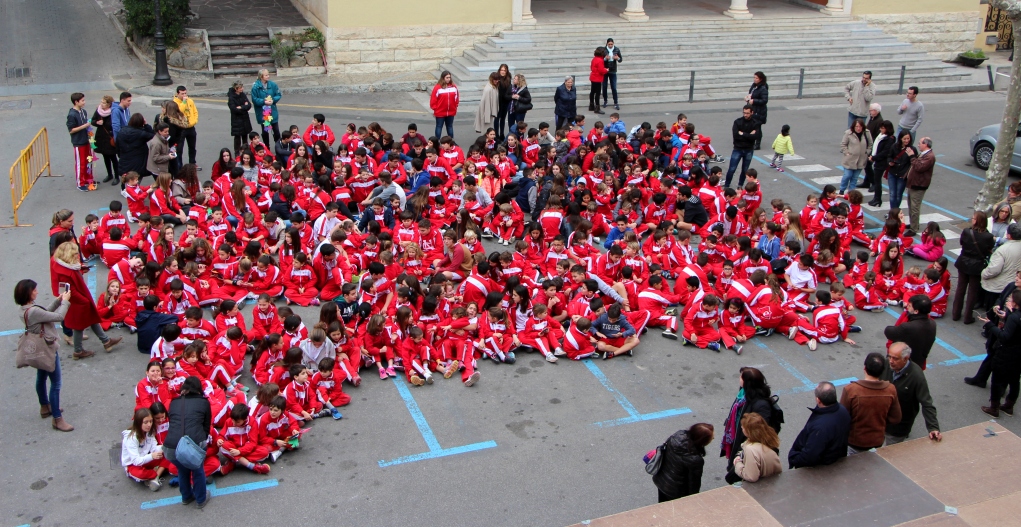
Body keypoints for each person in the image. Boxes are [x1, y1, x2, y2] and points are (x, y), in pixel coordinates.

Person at [15, 279, 75, 431]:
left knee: (41, 378)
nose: (37, 292)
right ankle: (57, 418)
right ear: (29, 293)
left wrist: (58, 300)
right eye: (35, 290)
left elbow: (45, 313)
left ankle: (45, 406)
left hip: (38, 350)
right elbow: (58, 317)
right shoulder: (33, 311)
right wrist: (65, 302)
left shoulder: (25, 310)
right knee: (56, 384)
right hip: (47, 347)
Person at [49, 242, 122, 357]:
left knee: (91, 319)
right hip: (78, 302)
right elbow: (71, 290)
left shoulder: (63, 265)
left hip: (79, 300)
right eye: (75, 254)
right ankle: (78, 351)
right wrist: (84, 301)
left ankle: (106, 341)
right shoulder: (64, 272)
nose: (77, 256)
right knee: (80, 325)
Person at [163, 376, 213, 508]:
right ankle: (201, 499)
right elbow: (206, 427)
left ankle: (186, 496)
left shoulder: (174, 402)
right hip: (193, 442)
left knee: (182, 469)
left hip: (170, 447)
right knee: (197, 469)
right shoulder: (204, 402)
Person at [840, 352, 902, 453]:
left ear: (865, 368)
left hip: (855, 442)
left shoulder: (851, 390)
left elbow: (842, 418)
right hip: (877, 440)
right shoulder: (890, 390)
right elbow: (896, 418)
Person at [721, 367, 774, 482]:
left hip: (745, 444)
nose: (739, 379)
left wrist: (742, 453)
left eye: (741, 377)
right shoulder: (744, 393)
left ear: (747, 382)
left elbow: (759, 432)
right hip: (738, 437)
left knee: (734, 476)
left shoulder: (761, 405)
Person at [881, 342, 942, 445]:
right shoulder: (885, 364)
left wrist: (933, 427)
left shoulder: (916, 376)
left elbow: (926, 403)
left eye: (895, 358)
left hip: (898, 427)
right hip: (879, 420)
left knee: (892, 453)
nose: (891, 361)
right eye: (889, 356)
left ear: (906, 358)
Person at [787, 382, 850, 468]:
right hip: (836, 456)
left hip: (823, 465)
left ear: (818, 400)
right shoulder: (843, 411)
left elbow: (810, 455)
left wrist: (795, 459)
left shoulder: (820, 427)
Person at [982, 289, 1021, 417]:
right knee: (1014, 379)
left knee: (997, 379)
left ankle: (994, 408)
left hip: (1006, 352)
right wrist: (1009, 314)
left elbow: (1005, 336)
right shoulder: (1015, 315)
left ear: (1015, 303)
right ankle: (1009, 405)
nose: (1009, 301)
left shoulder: (1014, 317)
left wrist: (990, 325)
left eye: (1011, 300)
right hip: (1018, 353)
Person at [651, 422, 714, 502]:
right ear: (702, 441)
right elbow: (694, 483)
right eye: (711, 438)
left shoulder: (677, 436)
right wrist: (692, 499)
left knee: (662, 505)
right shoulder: (695, 460)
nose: (713, 439)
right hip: (676, 491)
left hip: (662, 480)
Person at [954, 211, 995, 323]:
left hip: (964, 261)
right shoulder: (988, 236)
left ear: (977, 221)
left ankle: (956, 314)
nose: (972, 220)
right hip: (977, 265)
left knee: (960, 288)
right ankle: (968, 317)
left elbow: (962, 243)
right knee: (972, 292)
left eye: (973, 218)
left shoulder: (967, 232)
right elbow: (989, 249)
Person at [884, 294, 937, 368]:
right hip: (919, 363)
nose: (907, 306)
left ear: (916, 311)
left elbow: (889, 332)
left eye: (910, 305)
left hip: (903, 363)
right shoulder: (932, 323)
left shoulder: (908, 327)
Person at [121, 408, 168, 491]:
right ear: (139, 423)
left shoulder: (149, 432)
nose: (149, 425)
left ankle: (154, 477)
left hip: (145, 458)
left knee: (168, 455)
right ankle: (155, 474)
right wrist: (152, 456)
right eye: (146, 422)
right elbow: (136, 461)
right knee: (141, 474)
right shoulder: (131, 439)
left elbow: (154, 448)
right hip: (133, 465)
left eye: (150, 421)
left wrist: (165, 446)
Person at [732, 413, 782, 483]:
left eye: (743, 427)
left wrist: (738, 463)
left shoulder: (751, 449)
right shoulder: (767, 439)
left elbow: (751, 477)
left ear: (749, 431)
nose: (741, 428)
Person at [982, 224, 1021, 311]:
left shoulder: (1002, 250)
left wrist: (983, 274)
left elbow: (993, 270)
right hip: (1015, 287)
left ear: (1008, 235)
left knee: (994, 311)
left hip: (998, 287)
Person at [903, 137, 934, 236]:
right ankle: (913, 223)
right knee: (911, 205)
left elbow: (919, 167)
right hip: (914, 183)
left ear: (925, 144)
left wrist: (912, 156)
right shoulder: (924, 154)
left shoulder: (930, 157)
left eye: (920, 143)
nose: (918, 145)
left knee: (915, 207)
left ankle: (914, 228)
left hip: (919, 185)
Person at [725, 105, 760, 188]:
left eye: (747, 113)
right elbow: (736, 136)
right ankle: (727, 185)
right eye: (744, 113)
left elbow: (756, 137)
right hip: (738, 148)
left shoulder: (755, 123)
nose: (745, 115)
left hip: (749, 149)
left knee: (745, 170)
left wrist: (743, 134)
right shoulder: (738, 122)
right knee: (732, 169)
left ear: (752, 112)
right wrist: (749, 135)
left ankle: (740, 186)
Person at [66, 92, 95, 191]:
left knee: (88, 161)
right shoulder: (72, 115)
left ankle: (87, 179)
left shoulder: (83, 111)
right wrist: (86, 125)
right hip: (79, 142)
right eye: (82, 101)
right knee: (80, 163)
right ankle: (80, 183)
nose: (84, 102)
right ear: (76, 102)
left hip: (86, 140)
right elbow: (71, 130)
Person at [116, 113, 155, 181]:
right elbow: (152, 135)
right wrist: (146, 125)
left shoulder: (122, 131)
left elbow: (118, 145)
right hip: (138, 161)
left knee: (125, 177)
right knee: (136, 179)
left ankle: (124, 189)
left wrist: (120, 155)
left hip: (125, 159)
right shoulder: (141, 134)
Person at [839, 119, 873, 194]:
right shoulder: (848, 133)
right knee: (847, 175)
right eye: (856, 126)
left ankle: (851, 193)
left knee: (854, 178)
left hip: (861, 160)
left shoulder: (866, 133)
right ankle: (842, 190)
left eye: (860, 126)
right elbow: (843, 144)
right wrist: (846, 152)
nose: (858, 128)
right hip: (850, 160)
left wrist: (867, 152)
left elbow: (870, 144)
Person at [91, 95, 119, 184]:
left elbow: (116, 124)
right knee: (105, 156)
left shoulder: (114, 112)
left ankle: (117, 176)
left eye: (103, 103)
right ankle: (109, 174)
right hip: (101, 137)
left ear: (109, 104)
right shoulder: (98, 111)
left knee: (113, 157)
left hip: (110, 138)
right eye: (101, 102)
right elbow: (92, 120)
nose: (101, 104)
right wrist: (97, 122)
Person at [866, 120, 894, 206]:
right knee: (876, 179)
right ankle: (876, 198)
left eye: (882, 128)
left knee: (877, 181)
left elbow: (885, 152)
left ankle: (877, 199)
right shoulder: (881, 136)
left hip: (882, 162)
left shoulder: (889, 139)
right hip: (877, 160)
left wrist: (874, 157)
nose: (880, 129)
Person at [885, 130, 914, 210]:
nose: (906, 140)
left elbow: (914, 162)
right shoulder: (894, 147)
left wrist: (911, 155)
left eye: (908, 138)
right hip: (893, 173)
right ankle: (893, 212)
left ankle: (895, 212)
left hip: (902, 175)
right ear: (900, 139)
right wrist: (890, 162)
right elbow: (889, 156)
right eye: (904, 139)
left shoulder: (912, 149)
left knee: (898, 194)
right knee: (892, 194)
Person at [252, 69, 282, 145]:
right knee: (265, 131)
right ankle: (267, 147)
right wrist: (263, 102)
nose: (268, 76)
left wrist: (273, 100)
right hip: (264, 113)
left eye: (268, 74)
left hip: (272, 111)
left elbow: (278, 95)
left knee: (276, 130)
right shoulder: (256, 87)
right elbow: (254, 99)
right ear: (261, 77)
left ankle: (278, 146)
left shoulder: (273, 85)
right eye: (266, 75)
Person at [174, 86, 199, 167]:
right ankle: (179, 165)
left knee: (192, 147)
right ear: (177, 94)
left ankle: (192, 163)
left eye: (185, 93)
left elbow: (195, 111)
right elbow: (180, 111)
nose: (184, 95)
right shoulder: (175, 103)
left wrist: (194, 120)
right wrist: (184, 102)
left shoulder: (190, 101)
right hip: (181, 128)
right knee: (179, 149)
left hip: (190, 127)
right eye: (182, 94)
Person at [430, 71, 459, 139]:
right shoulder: (437, 87)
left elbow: (456, 98)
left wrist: (455, 106)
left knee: (449, 127)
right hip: (440, 112)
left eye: (449, 77)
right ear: (443, 78)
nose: (448, 79)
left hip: (451, 111)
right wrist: (435, 108)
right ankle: (437, 142)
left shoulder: (454, 87)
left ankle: (451, 142)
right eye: (447, 77)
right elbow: (433, 99)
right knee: (439, 126)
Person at [227, 80, 253, 157]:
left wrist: (241, 107)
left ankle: (245, 150)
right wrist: (244, 108)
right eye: (240, 88)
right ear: (236, 88)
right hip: (237, 120)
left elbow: (249, 105)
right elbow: (234, 109)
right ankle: (237, 152)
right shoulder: (231, 97)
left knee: (245, 135)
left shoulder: (243, 95)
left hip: (244, 118)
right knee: (237, 137)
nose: (242, 89)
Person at [744, 72, 768, 149]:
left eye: (756, 78)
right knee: (751, 125)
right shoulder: (754, 86)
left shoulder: (763, 88)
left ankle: (757, 144)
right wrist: (748, 97)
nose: (755, 79)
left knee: (757, 127)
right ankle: (751, 141)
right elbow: (751, 93)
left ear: (761, 79)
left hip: (759, 111)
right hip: (753, 109)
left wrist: (754, 101)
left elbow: (764, 100)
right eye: (754, 77)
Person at [602, 37, 622, 110]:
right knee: (604, 86)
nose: (610, 45)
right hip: (605, 70)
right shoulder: (604, 50)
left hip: (613, 70)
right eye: (609, 44)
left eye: (611, 44)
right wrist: (605, 59)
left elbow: (620, 59)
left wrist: (617, 58)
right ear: (607, 44)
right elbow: (601, 60)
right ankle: (605, 101)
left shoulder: (616, 49)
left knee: (613, 87)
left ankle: (616, 102)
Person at [588, 47, 609, 115]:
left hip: (593, 77)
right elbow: (601, 70)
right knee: (597, 93)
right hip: (597, 78)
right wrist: (606, 70)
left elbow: (591, 67)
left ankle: (591, 105)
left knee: (592, 92)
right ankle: (597, 107)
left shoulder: (594, 59)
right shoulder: (600, 60)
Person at [494, 64, 512, 141]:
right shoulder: (497, 78)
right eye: (501, 70)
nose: (503, 72)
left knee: (503, 118)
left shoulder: (508, 79)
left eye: (504, 70)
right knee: (497, 118)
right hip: (498, 101)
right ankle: (496, 134)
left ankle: (501, 133)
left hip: (505, 101)